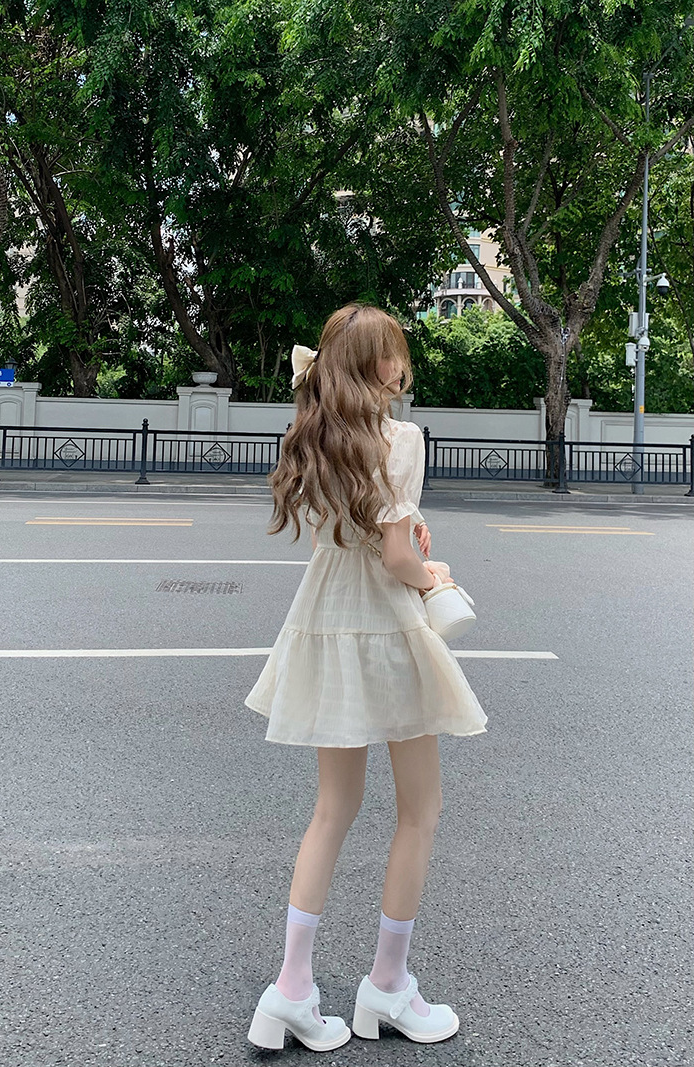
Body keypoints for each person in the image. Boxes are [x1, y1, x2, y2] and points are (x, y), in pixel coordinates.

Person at [244, 304, 487, 1052]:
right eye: (393, 354)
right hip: (385, 626)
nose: (400, 365)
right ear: (379, 365)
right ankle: (387, 986)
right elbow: (398, 557)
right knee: (420, 810)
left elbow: (354, 532)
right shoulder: (399, 439)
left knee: (332, 809)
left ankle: (290, 990)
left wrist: (404, 537)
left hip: (326, 619)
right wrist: (432, 570)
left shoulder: (318, 435)